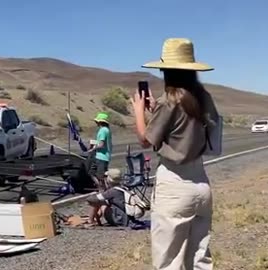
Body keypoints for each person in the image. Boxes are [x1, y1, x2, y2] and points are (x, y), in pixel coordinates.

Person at [130, 38, 219, 270]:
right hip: (201, 184)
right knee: (199, 259)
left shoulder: (169, 100)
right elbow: (183, 127)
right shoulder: (203, 98)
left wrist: (138, 112)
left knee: (169, 262)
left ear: (167, 70)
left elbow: (144, 140)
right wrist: (155, 110)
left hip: (174, 186)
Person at [87, 112, 112, 191]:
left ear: (100, 122)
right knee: (92, 173)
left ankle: (102, 190)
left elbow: (101, 144)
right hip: (102, 156)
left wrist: (93, 149)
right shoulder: (106, 130)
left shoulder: (102, 131)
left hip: (102, 157)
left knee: (99, 176)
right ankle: (102, 188)